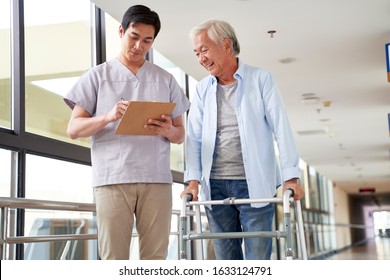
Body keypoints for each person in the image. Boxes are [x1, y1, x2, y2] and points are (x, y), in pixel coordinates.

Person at [64, 5, 190, 260]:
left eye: (147, 41)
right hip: (112, 178)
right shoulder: (97, 77)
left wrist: (168, 130)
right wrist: (109, 116)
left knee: (155, 258)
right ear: (121, 31)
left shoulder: (165, 79)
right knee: (114, 258)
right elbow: (73, 129)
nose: (139, 46)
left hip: (156, 179)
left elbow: (180, 135)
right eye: (134, 37)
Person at [181, 19, 304, 260]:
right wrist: (193, 181)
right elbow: (194, 137)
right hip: (214, 186)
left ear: (226, 45)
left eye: (204, 50)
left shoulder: (261, 79)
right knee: (227, 262)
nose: (201, 59)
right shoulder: (202, 88)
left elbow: (281, 128)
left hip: (253, 184)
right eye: (197, 53)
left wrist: (291, 178)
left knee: (257, 260)